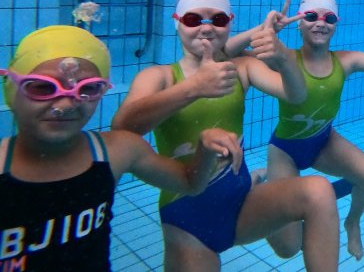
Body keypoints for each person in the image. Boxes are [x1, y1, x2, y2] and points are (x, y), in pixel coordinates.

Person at [111, 0, 339, 272]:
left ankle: (255, 181)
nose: (206, 28)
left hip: (241, 203)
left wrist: (283, 57)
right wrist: (192, 87)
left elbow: (295, 94)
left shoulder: (240, 69)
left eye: (217, 19)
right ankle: (258, 178)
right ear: (177, 23)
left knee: (309, 209)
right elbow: (122, 129)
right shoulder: (160, 76)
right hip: (187, 219)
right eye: (194, 19)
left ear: (229, 23)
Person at [0, 25, 242, 272]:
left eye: (88, 89)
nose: (65, 103)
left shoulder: (118, 151)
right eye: (42, 87)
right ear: (11, 88)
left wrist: (205, 149)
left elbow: (190, 183)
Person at [225, 0, 364, 260]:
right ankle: (258, 187)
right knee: (288, 248)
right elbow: (226, 53)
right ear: (300, 24)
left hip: (324, 141)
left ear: (336, 24)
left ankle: (352, 222)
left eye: (329, 18)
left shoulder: (346, 61)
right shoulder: (283, 58)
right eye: (311, 17)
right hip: (285, 152)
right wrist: (265, 31)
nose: (320, 23)